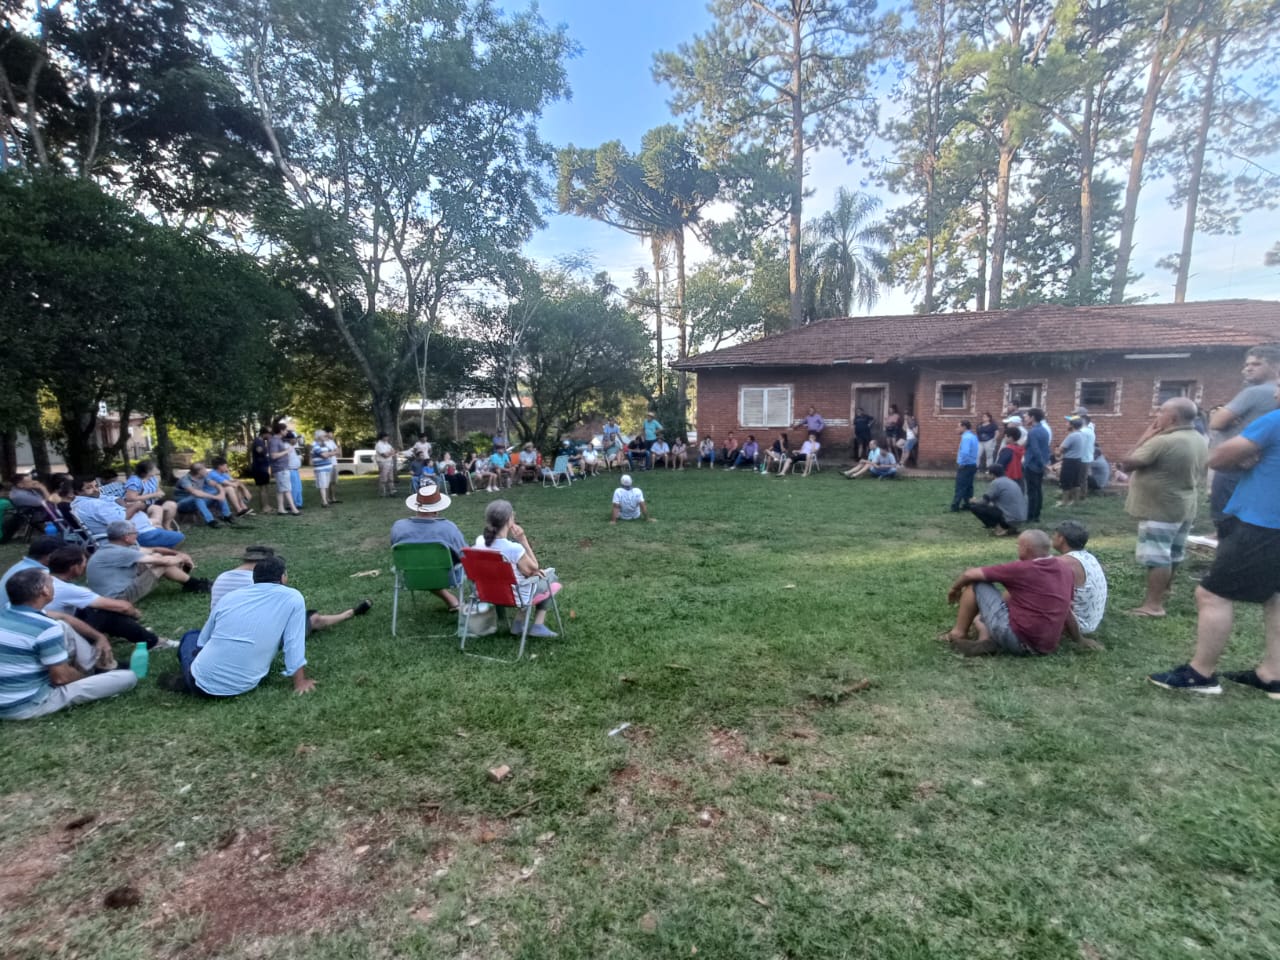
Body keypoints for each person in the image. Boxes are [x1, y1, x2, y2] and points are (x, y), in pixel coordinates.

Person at [1148, 382, 1280, 697]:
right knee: (1276, 598)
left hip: (1263, 522)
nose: (1275, 393)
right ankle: (1273, 675)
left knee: (1213, 595)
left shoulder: (1274, 420)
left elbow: (1219, 457)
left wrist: (1245, 453)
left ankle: (1200, 674)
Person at [168, 556, 315, 698]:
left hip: (200, 682)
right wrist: (300, 683)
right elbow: (293, 643)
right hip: (246, 683)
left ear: (253, 578)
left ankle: (191, 674)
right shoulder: (293, 597)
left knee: (191, 636)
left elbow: (203, 641)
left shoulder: (230, 597)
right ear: (283, 577)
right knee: (194, 638)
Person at [0, 568, 137, 720]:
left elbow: (61, 618)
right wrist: (83, 676)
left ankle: (98, 666)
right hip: (25, 705)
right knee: (128, 677)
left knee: (62, 625)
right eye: (52, 583)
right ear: (45, 591)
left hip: (7, 696)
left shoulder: (6, 612)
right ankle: (95, 672)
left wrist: (99, 637)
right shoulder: (46, 628)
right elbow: (61, 679)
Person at [1120, 396, 1208, 618]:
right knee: (1173, 552)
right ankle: (1166, 589)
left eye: (1160, 412)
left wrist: (1146, 436)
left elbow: (1127, 463)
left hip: (1160, 507)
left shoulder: (1163, 441)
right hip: (1184, 504)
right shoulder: (1198, 437)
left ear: (1172, 417)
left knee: (1157, 556)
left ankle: (1153, 605)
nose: (1156, 416)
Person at [939, 529, 1076, 656]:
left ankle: (958, 633)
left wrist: (954, 589)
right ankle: (986, 639)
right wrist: (1079, 639)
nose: (1017, 548)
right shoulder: (1065, 569)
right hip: (1045, 646)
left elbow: (970, 574)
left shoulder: (1023, 569)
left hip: (1018, 640)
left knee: (977, 583)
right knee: (1002, 603)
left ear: (1026, 548)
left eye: (1018, 545)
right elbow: (1067, 608)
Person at [1206, 345, 1280, 535]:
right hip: (1262, 465)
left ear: (1276, 366)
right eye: (1247, 364)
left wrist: (1224, 414)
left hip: (1234, 461)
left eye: (1257, 364)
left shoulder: (1254, 392)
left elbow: (1216, 421)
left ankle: (1225, 546)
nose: (1248, 368)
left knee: (1225, 515)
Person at [46, 546, 177, 653]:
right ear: (75, 567)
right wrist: (134, 613)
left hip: (48, 634)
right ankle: (153, 642)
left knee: (95, 609)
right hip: (60, 642)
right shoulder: (67, 589)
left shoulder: (44, 579)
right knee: (105, 611)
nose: (85, 566)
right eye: (84, 563)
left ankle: (132, 633)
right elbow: (123, 607)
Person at [212, 545, 372, 628]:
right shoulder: (260, 584)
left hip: (221, 630)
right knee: (313, 620)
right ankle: (348, 614)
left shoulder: (222, 577)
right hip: (254, 632)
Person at [476, 500, 561, 638]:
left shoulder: (480, 542)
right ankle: (537, 625)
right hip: (516, 596)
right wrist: (523, 540)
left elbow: (529, 570)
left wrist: (530, 572)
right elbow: (534, 566)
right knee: (550, 577)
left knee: (527, 576)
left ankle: (517, 625)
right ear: (509, 519)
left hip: (487, 593)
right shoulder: (513, 548)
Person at [390, 481, 467, 612]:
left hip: (411, 576)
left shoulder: (398, 527)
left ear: (416, 506)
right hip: (447, 578)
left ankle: (450, 600)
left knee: (422, 564)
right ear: (437, 510)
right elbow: (465, 555)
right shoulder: (448, 528)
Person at [86, 521, 210, 601]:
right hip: (118, 597)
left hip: (106, 594)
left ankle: (192, 583)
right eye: (135, 532)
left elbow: (152, 550)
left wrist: (176, 553)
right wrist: (181, 558)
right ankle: (195, 584)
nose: (137, 534)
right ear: (126, 537)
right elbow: (165, 563)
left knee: (156, 557)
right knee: (161, 564)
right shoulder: (122, 552)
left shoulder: (113, 547)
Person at [1051, 520, 1107, 649]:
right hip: (1091, 622)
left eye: (1054, 535)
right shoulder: (1088, 557)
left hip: (1078, 624)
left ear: (1061, 539)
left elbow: (1060, 602)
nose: (1052, 538)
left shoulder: (1062, 563)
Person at [967, 464, 1026, 536]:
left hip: (1008, 518)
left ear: (993, 474)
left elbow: (984, 501)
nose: (987, 476)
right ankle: (1011, 528)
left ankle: (1000, 528)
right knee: (990, 507)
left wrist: (974, 501)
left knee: (974, 507)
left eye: (988, 474)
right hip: (1020, 518)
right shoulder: (1011, 481)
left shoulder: (996, 482)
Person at [176, 462, 235, 528]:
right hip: (183, 504)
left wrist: (221, 493)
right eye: (204, 469)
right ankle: (211, 521)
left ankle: (227, 516)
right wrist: (215, 497)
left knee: (218, 492)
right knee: (197, 497)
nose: (206, 470)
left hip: (199, 500)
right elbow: (195, 493)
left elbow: (215, 484)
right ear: (199, 471)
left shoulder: (204, 476)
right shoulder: (185, 480)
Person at [124, 460, 178, 531]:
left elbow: (157, 489)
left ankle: (166, 525)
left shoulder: (152, 478)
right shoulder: (134, 481)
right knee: (157, 509)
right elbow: (130, 498)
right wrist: (154, 495)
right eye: (154, 468)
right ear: (147, 471)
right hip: (139, 504)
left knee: (172, 505)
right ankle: (156, 530)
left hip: (152, 502)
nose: (157, 469)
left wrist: (160, 492)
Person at [1022, 408, 1051, 522]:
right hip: (1039, 465)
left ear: (1033, 418)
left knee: (1032, 491)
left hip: (1033, 465)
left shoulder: (1033, 432)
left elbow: (1035, 450)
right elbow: (1045, 449)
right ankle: (1037, 515)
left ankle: (1031, 516)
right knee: (1038, 490)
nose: (1025, 419)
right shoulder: (1044, 430)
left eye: (1027, 417)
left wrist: (1042, 464)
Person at [1055, 418, 1089, 507]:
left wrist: (1056, 452)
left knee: (1065, 482)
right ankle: (1075, 501)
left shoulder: (1072, 436)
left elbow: (1060, 450)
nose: (1066, 424)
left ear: (1072, 425)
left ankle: (1064, 502)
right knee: (1075, 482)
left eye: (1067, 423)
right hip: (1078, 461)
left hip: (1069, 461)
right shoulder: (1083, 435)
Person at [269, 423, 300, 515]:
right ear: (281, 430)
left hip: (281, 468)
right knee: (287, 489)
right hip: (280, 468)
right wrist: (287, 451)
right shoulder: (274, 441)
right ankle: (294, 509)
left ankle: (281, 509)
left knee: (280, 490)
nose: (287, 432)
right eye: (285, 430)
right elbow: (273, 455)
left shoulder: (278, 440)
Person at [949, 420, 980, 511]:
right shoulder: (973, 437)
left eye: (958, 427)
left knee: (960, 486)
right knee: (969, 487)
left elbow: (965, 453)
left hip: (966, 465)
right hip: (972, 465)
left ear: (964, 427)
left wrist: (962, 463)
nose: (956, 429)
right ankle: (968, 504)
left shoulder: (966, 438)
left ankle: (955, 506)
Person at [311, 430, 337, 507]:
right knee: (322, 485)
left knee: (326, 484)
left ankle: (326, 500)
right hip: (320, 469)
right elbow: (324, 455)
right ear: (319, 437)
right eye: (324, 436)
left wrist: (328, 454)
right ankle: (324, 502)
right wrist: (330, 454)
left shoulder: (324, 444)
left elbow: (335, 452)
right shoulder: (315, 445)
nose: (326, 437)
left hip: (327, 467)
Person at [995, 425, 1025, 493]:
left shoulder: (1007, 450)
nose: (1004, 438)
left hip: (1008, 478)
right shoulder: (1020, 449)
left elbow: (1000, 465)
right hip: (1019, 477)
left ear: (1010, 438)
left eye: (1005, 436)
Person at [250, 427, 273, 513]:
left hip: (264, 468)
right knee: (262, 488)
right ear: (264, 433)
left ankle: (267, 506)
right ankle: (264, 508)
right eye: (269, 434)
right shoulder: (258, 441)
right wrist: (265, 450)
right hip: (259, 468)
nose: (270, 436)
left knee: (266, 487)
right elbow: (259, 450)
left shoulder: (262, 441)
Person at [374, 432, 398, 497]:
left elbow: (394, 451)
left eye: (387, 436)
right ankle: (382, 493)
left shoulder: (387, 444)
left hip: (390, 462)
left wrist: (390, 453)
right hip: (383, 462)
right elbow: (384, 455)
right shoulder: (378, 445)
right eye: (386, 436)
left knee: (391, 478)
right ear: (382, 437)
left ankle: (392, 492)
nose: (387, 438)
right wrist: (391, 453)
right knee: (384, 478)